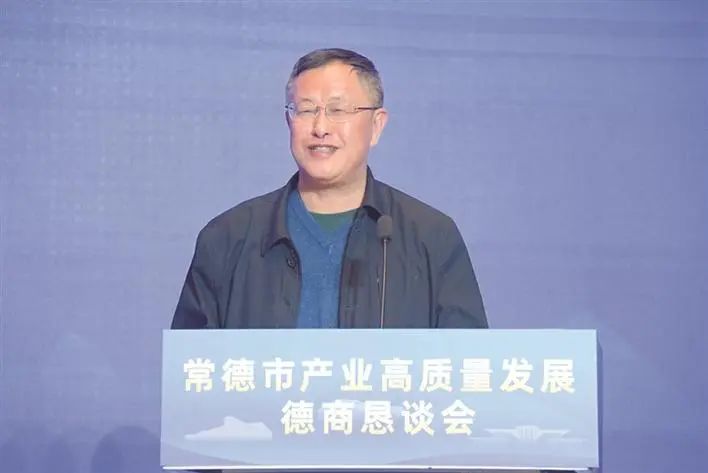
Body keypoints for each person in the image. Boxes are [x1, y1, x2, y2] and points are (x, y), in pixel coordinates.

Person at [171, 48, 487, 331]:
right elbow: (191, 368)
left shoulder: (431, 237)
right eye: (306, 110)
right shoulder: (227, 238)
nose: (320, 128)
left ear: (376, 125)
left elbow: (466, 365)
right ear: (288, 121)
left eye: (338, 110)